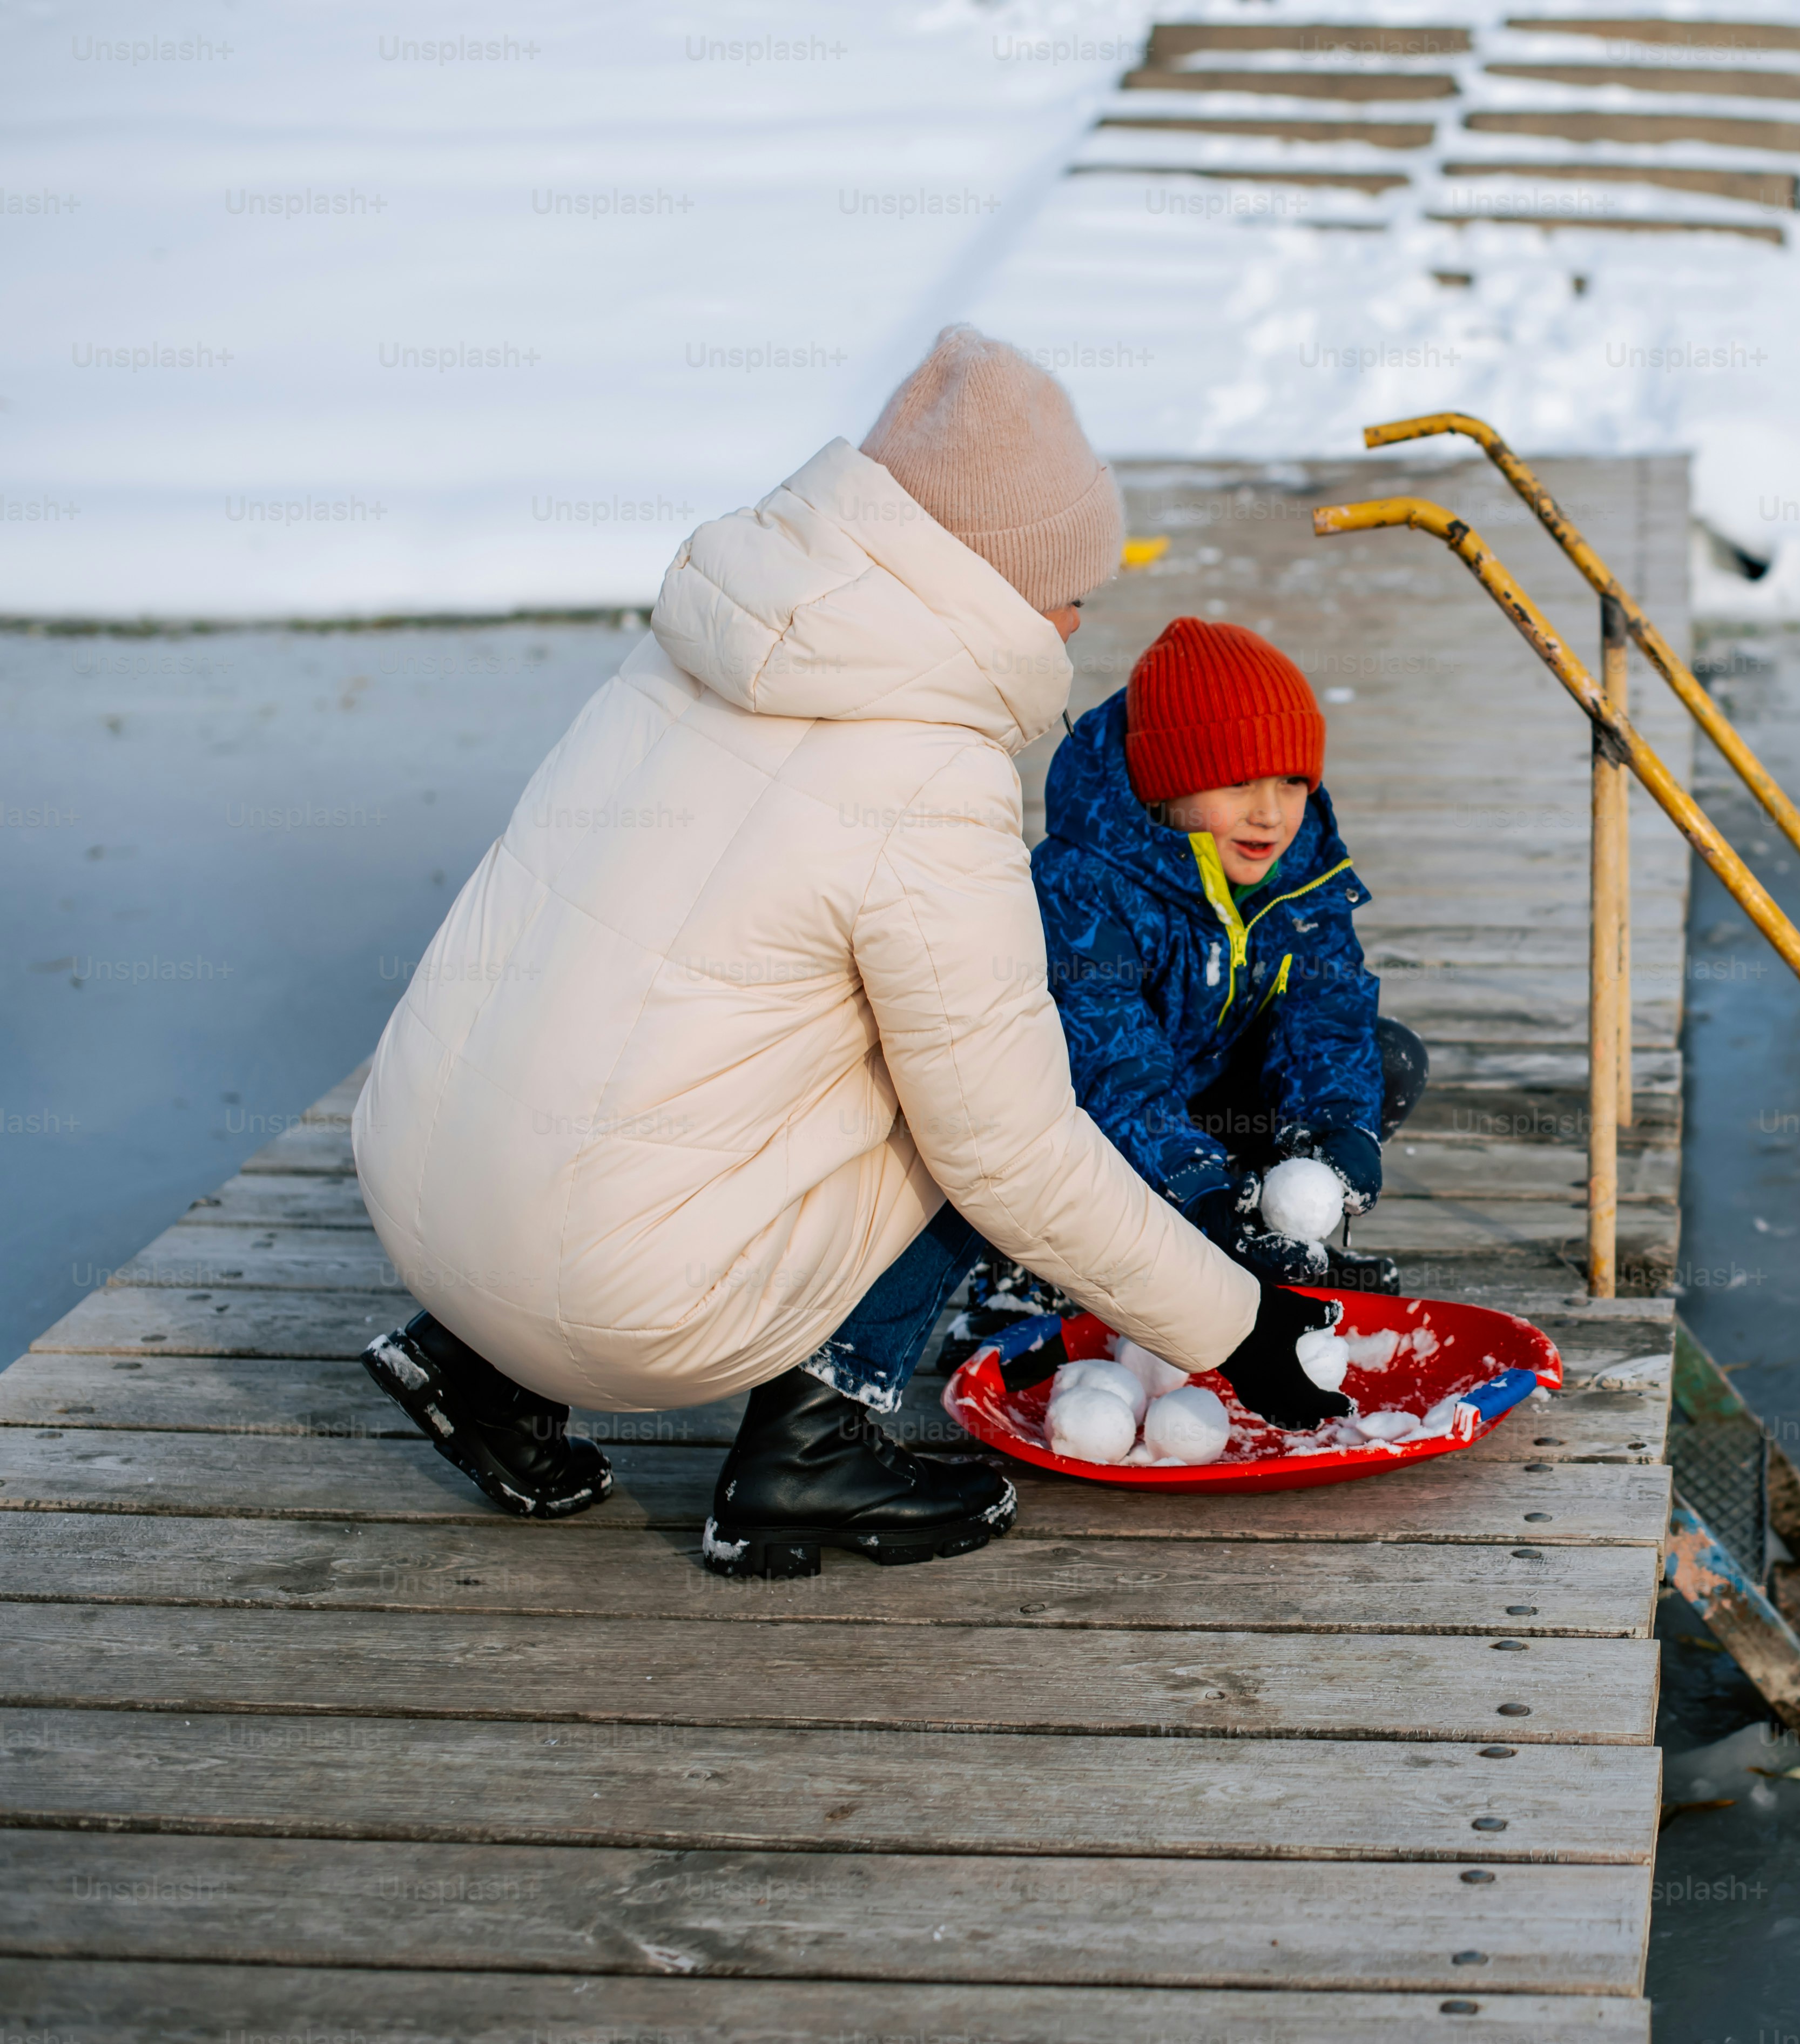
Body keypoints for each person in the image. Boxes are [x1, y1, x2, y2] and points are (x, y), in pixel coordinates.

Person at [349, 325, 1352, 1578]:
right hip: (614, 1295)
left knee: (645, 985)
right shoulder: (926, 771)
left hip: (424, 1192)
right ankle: (808, 1449)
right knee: (971, 1089)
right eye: (1071, 587)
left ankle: (477, 1367)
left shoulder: (693, 648)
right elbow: (1011, 1154)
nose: (1078, 621)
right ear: (996, 579)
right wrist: (1237, 1327)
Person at [1029, 618, 1424, 1292]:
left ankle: (1274, 1239)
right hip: (1095, 1120)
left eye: (1292, 782)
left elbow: (1326, 1015)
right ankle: (1040, 1276)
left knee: (1388, 1058)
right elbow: (1111, 1065)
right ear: (1168, 783)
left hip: (1205, 1097)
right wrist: (1197, 1180)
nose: (1270, 814)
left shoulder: (1302, 864)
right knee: (1053, 1119)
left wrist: (1337, 1128)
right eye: (1238, 783)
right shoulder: (1087, 881)